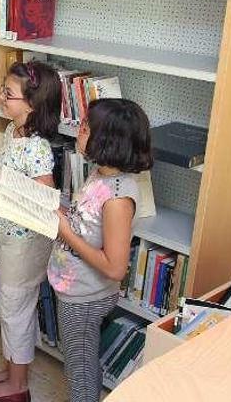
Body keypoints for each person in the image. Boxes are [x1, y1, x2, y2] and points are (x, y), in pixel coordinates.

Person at [0, 61, 62, 402]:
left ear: (32, 104)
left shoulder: (37, 147)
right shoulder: (13, 131)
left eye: (9, 93)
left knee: (16, 305)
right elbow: (13, 180)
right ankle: (10, 369)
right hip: (8, 235)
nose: (2, 98)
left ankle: (18, 385)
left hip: (26, 243)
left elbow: (43, 201)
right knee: (10, 304)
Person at [48, 99, 152, 402]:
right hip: (75, 286)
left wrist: (65, 231)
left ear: (107, 139)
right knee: (80, 362)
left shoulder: (119, 197)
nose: (77, 132)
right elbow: (89, 224)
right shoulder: (102, 174)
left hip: (85, 296)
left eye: (84, 127)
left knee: (79, 371)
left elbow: (115, 267)